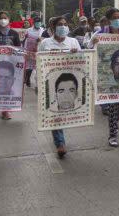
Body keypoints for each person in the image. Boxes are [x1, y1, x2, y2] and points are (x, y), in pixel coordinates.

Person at [89, 7, 119, 148]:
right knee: (114, 105)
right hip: (108, 75)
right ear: (109, 20)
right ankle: (113, 135)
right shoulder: (100, 34)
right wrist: (94, 43)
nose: (118, 20)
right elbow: (89, 48)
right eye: (115, 17)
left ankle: (114, 123)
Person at [38, 16, 81, 158]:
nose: (63, 27)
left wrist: (77, 53)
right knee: (55, 112)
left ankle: (60, 138)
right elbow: (40, 63)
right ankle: (60, 143)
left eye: (65, 24)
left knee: (67, 112)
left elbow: (83, 61)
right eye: (60, 24)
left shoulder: (73, 42)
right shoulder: (45, 43)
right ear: (53, 27)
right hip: (52, 83)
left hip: (70, 83)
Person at [23, 16, 44, 87]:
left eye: (39, 22)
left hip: (38, 50)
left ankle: (39, 83)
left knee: (38, 66)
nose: (38, 23)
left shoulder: (43, 30)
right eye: (36, 22)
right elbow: (24, 39)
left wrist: (40, 39)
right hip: (29, 51)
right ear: (34, 23)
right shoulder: (28, 30)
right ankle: (27, 78)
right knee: (29, 67)